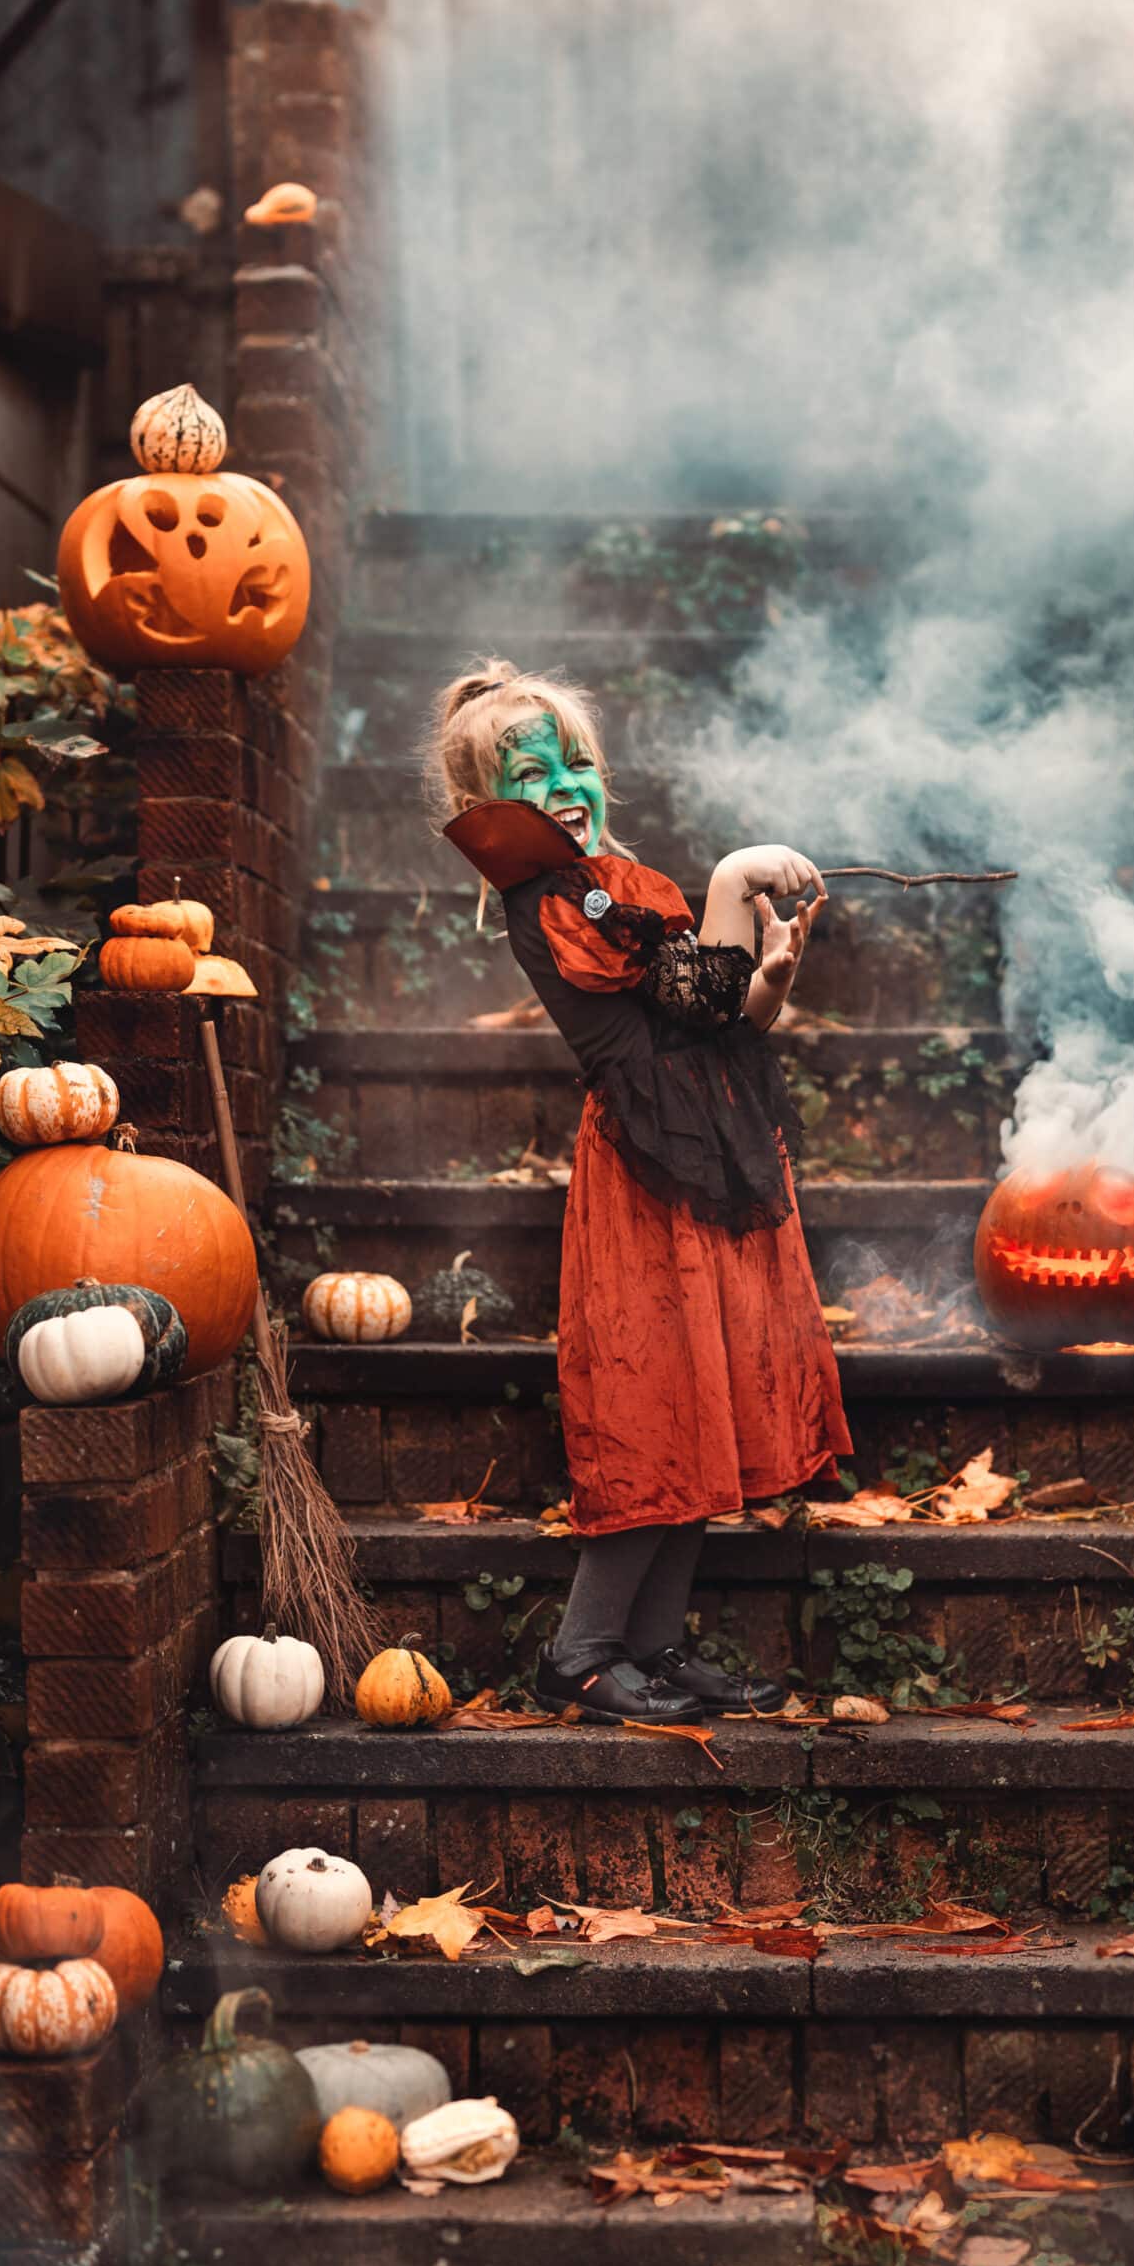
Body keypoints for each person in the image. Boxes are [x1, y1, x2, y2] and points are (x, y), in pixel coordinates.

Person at [428, 659, 852, 1725]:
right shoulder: (551, 903)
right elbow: (686, 993)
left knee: (703, 1403)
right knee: (654, 1410)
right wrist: (730, 879)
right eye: (530, 773)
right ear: (488, 812)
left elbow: (716, 1015)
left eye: (576, 760)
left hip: (706, 1159)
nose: (564, 781)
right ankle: (577, 1657)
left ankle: (653, 1648)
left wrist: (773, 979)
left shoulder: (618, 882)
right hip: (647, 1181)